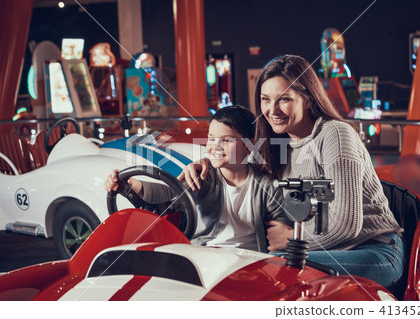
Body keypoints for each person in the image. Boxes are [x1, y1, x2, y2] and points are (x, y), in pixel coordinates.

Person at [180, 55, 404, 289]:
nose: (272, 109)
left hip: (373, 251)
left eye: (284, 99)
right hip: (319, 249)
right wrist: (207, 161)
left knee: (270, 268)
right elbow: (239, 164)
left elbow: (346, 224)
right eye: (265, 99)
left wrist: (292, 238)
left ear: (308, 99)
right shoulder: (278, 146)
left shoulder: (335, 134)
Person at [105, 105, 290, 253]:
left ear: (249, 146)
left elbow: (279, 231)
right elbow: (169, 192)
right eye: (211, 139)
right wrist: (132, 184)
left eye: (226, 140)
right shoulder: (204, 176)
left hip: (250, 260)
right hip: (207, 255)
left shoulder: (266, 184)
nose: (215, 147)